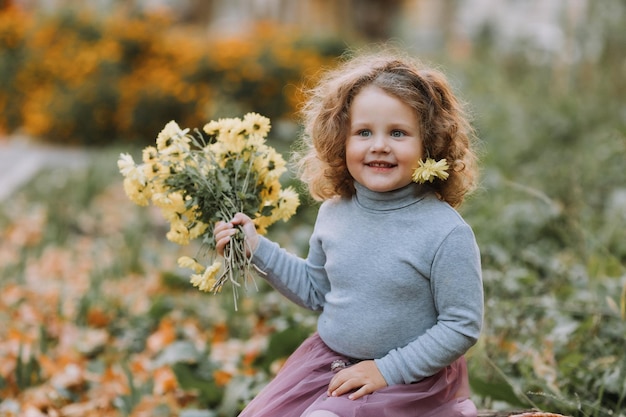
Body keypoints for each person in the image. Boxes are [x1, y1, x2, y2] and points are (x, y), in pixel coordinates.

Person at [214, 48, 484, 417]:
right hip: (330, 363)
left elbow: (461, 325)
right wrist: (255, 248)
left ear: (430, 143)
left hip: (409, 379)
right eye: (364, 132)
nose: (379, 145)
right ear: (340, 140)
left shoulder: (444, 231)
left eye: (399, 133)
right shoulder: (335, 213)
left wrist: (386, 370)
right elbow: (315, 290)